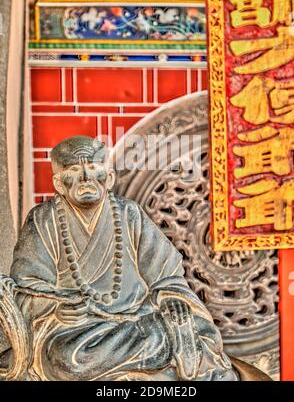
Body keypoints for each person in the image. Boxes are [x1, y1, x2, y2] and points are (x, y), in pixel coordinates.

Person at [10, 135, 238, 381]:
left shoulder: (129, 213)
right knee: (68, 362)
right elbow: (26, 289)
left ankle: (166, 338)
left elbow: (166, 274)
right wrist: (57, 308)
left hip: (138, 312)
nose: (86, 178)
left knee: (199, 327)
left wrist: (171, 297)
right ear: (59, 183)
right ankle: (165, 342)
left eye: (94, 168)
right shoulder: (44, 220)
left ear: (109, 178)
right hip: (79, 330)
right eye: (74, 170)